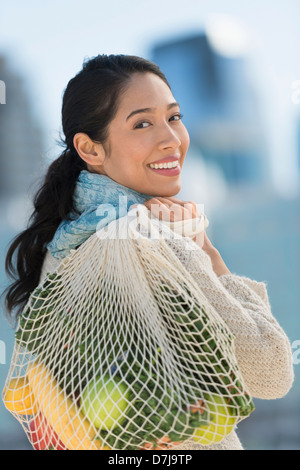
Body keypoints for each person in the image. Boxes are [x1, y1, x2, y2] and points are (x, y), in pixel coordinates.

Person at [4, 54, 294, 450]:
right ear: (90, 149)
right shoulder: (148, 235)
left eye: (174, 117)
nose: (171, 139)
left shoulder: (66, 241)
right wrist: (204, 250)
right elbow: (271, 372)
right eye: (142, 123)